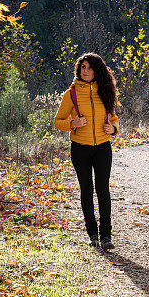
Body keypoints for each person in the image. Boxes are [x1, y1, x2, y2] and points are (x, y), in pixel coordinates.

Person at [54, 53, 120, 251]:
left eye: (89, 67)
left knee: (103, 190)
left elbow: (114, 118)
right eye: (82, 67)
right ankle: (92, 234)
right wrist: (72, 124)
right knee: (86, 190)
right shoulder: (71, 94)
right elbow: (58, 121)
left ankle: (106, 235)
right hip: (80, 148)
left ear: (97, 70)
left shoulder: (105, 90)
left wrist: (114, 129)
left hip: (102, 147)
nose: (85, 71)